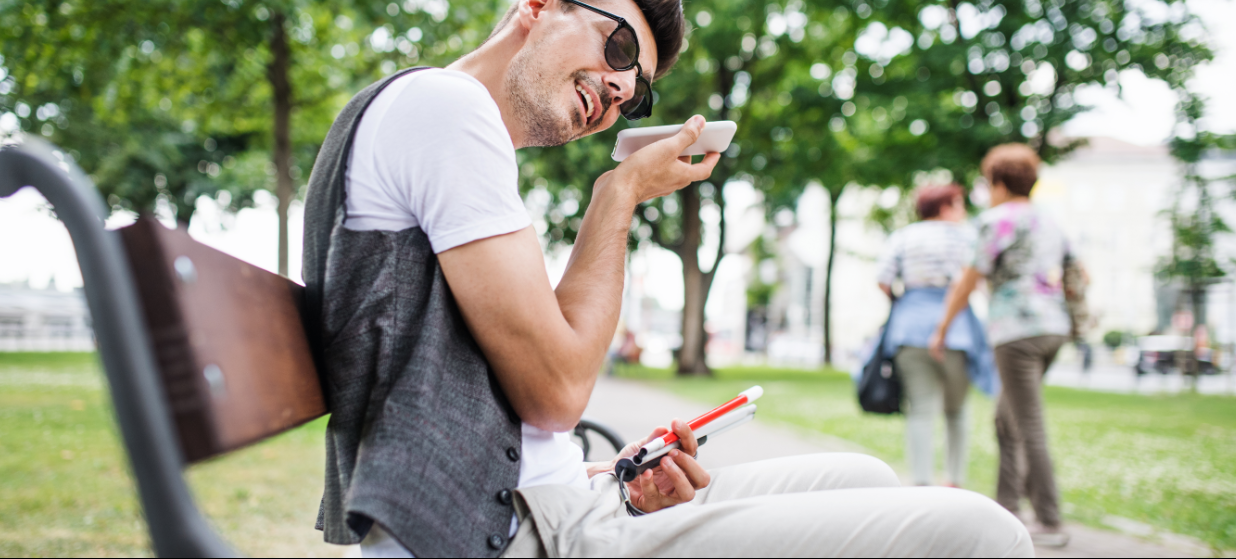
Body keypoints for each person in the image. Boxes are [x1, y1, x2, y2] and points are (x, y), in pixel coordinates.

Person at [302, 0, 1034, 557]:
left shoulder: (454, 129)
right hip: (502, 532)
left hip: (548, 504)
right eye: (617, 44)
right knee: (980, 531)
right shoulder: (448, 107)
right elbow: (556, 391)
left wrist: (611, 474)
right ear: (535, 7)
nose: (620, 87)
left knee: (868, 474)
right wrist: (614, 196)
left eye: (638, 91)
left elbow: (510, 393)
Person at [932, 143, 1076, 548]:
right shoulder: (1050, 220)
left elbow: (969, 279)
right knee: (1006, 419)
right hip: (1053, 328)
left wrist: (942, 327)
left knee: (1027, 424)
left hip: (1017, 333)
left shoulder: (996, 220)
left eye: (987, 181)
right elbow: (1077, 270)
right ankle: (1007, 508)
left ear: (998, 181)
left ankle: (1048, 520)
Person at [875, 184, 996, 489]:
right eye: (958, 204)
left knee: (920, 410)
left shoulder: (904, 236)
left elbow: (883, 280)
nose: (963, 210)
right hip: (959, 331)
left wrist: (904, 302)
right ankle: (954, 479)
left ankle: (921, 481)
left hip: (910, 329)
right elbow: (980, 281)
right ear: (944, 207)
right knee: (956, 410)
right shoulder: (969, 236)